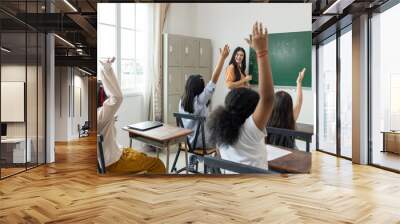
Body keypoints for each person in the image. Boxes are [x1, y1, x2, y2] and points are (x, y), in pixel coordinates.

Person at [207, 22, 275, 169]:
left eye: (241, 55)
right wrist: (261, 52)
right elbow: (267, 98)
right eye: (237, 54)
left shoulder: (221, 131)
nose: (239, 57)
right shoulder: (250, 132)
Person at [97, 57, 166, 174]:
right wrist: (107, 69)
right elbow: (117, 97)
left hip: (112, 155)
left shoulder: (97, 116)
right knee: (157, 164)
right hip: (114, 161)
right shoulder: (100, 115)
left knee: (143, 155)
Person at [179, 44, 230, 149]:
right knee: (222, 140)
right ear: (200, 89)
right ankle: (212, 165)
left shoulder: (182, 101)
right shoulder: (200, 101)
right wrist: (222, 58)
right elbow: (214, 79)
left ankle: (194, 158)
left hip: (187, 141)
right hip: (201, 142)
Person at [266, 68, 305, 148]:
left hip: (270, 153)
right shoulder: (291, 119)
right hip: (290, 152)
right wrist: (299, 82)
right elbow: (299, 102)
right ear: (289, 106)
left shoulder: (267, 120)